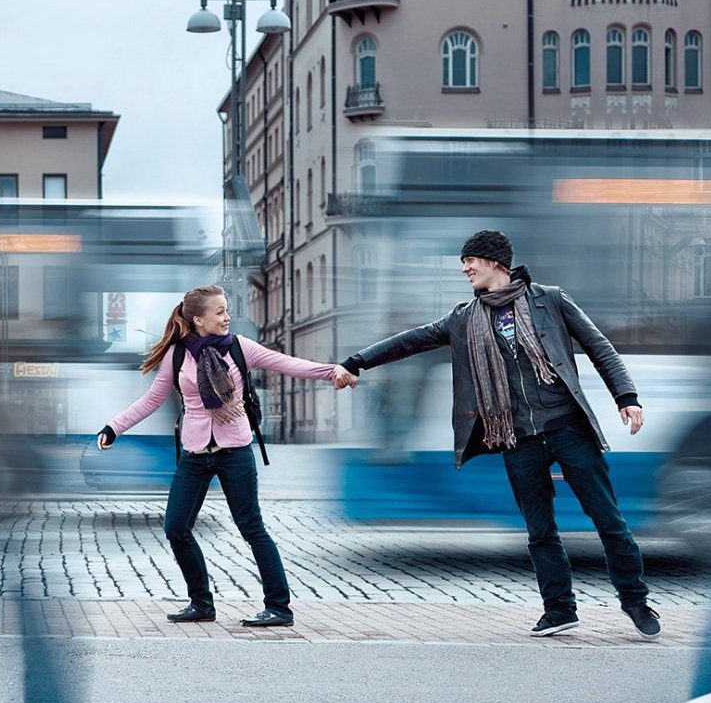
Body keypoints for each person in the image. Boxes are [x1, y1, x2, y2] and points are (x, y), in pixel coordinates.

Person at [336, 230, 661, 640]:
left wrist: (626, 396)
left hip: (568, 429)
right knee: (540, 531)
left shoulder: (551, 300)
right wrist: (356, 361)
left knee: (609, 521)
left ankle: (634, 599)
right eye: (463, 264)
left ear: (494, 262)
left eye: (470, 261)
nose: (465, 269)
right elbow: (412, 341)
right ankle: (560, 609)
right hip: (517, 438)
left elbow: (599, 347)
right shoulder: (463, 318)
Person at [98, 284, 348, 627]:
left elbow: (287, 364)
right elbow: (153, 399)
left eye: (227, 309)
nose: (227, 316)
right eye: (219, 312)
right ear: (198, 319)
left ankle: (279, 607)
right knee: (176, 528)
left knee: (252, 528)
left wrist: (333, 370)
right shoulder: (177, 355)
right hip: (195, 454)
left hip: (235, 451)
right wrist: (114, 427)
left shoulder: (239, 348)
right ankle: (201, 603)